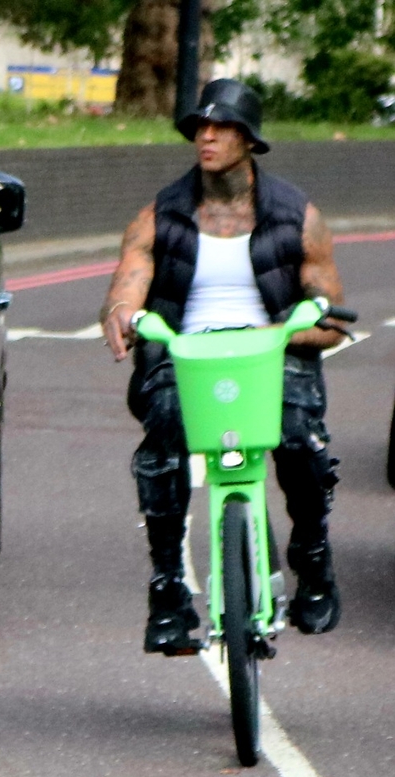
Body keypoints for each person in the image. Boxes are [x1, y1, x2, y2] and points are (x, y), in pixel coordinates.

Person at [100, 79, 347, 654]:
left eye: (222, 126)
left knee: (300, 442)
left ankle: (312, 558)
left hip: (276, 354)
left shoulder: (297, 216)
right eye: (199, 127)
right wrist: (121, 315)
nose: (206, 136)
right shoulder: (158, 216)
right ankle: (167, 594)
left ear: (249, 140)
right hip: (187, 356)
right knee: (162, 438)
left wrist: (280, 332)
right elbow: (126, 289)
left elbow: (331, 321)